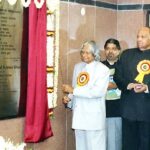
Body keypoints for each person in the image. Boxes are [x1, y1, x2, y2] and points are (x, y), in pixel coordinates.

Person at [62, 40, 109, 150]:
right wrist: (68, 99)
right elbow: (75, 87)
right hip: (79, 116)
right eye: (82, 52)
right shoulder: (78, 67)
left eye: (87, 52)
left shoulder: (103, 69)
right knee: (81, 146)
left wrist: (73, 91)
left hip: (94, 117)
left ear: (95, 54)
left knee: (95, 147)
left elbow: (97, 92)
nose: (84, 55)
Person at [114, 27, 150, 150]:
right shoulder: (126, 54)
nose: (139, 39)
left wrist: (146, 87)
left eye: (143, 37)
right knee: (128, 145)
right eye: (138, 36)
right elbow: (117, 76)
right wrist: (128, 85)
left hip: (147, 111)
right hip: (128, 110)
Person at [102, 38, 122, 150]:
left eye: (114, 49)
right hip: (101, 110)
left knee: (115, 143)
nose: (110, 51)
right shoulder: (98, 66)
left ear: (119, 51)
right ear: (104, 50)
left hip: (118, 110)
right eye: (108, 48)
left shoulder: (124, 66)